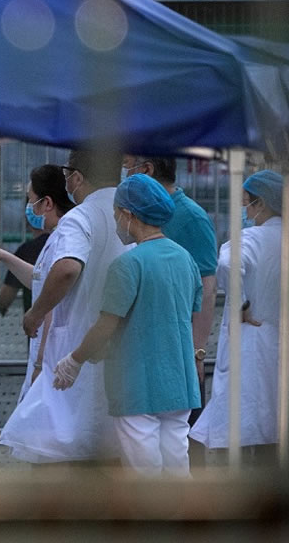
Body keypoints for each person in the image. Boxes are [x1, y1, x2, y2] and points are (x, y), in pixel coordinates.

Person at [52, 174, 201, 476]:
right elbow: (181, 314)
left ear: (128, 214)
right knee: (177, 466)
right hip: (179, 379)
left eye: (116, 213)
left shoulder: (127, 265)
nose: (116, 221)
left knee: (144, 474)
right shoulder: (185, 259)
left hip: (137, 382)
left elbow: (107, 324)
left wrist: (74, 360)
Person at [0, 149, 127, 464]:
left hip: (75, 352)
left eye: (68, 174)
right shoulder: (128, 216)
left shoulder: (80, 217)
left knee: (59, 449)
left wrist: (36, 312)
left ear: (77, 177)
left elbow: (67, 268)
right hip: (115, 349)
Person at [190, 170, 284, 463]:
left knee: (245, 424)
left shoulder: (251, 238)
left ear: (262, 204)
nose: (245, 209)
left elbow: (228, 265)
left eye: (248, 202)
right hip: (276, 341)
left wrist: (242, 303)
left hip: (251, 342)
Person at [121, 156, 218, 416]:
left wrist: (196, 352)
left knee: (179, 428)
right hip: (146, 345)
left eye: (127, 166)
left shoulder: (191, 217)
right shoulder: (139, 214)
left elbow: (207, 289)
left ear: (147, 169)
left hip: (178, 349)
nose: (124, 174)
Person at [0, 164, 74, 397]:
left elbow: (52, 299)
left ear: (47, 203)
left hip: (52, 360)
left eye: (31, 200)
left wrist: (39, 363)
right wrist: (2, 255)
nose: (28, 208)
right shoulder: (56, 238)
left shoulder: (65, 239)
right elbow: (40, 280)